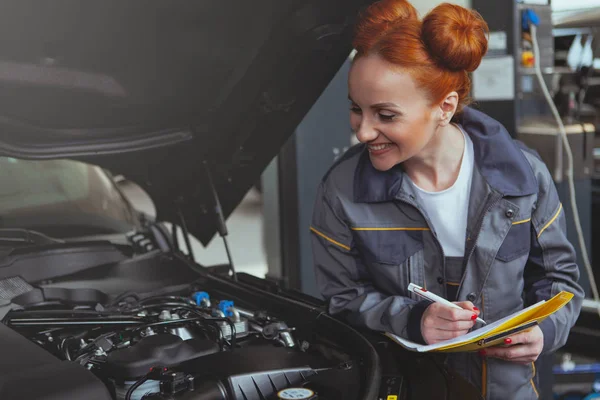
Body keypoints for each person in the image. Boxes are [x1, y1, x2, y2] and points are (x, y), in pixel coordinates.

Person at [310, 1, 584, 399]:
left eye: (385, 115)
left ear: (445, 107)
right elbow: (342, 298)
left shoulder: (524, 177)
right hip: (406, 388)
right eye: (357, 109)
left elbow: (561, 283)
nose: (364, 132)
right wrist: (412, 319)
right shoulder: (341, 191)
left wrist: (545, 331)